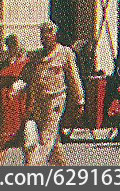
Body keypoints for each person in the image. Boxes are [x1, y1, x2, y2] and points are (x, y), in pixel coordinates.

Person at [23, 20, 84, 166]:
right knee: (53, 140)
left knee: (46, 136)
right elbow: (26, 77)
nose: (44, 39)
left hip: (55, 100)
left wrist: (80, 100)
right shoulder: (37, 56)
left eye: (47, 36)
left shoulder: (65, 53)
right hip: (39, 102)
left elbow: (74, 78)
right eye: (42, 36)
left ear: (55, 36)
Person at [0, 34, 29, 163]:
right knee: (2, 135)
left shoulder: (25, 64)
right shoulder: (4, 63)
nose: (11, 48)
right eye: (9, 46)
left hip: (17, 100)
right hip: (3, 100)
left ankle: (30, 163)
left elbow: (25, 81)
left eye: (13, 45)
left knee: (22, 134)